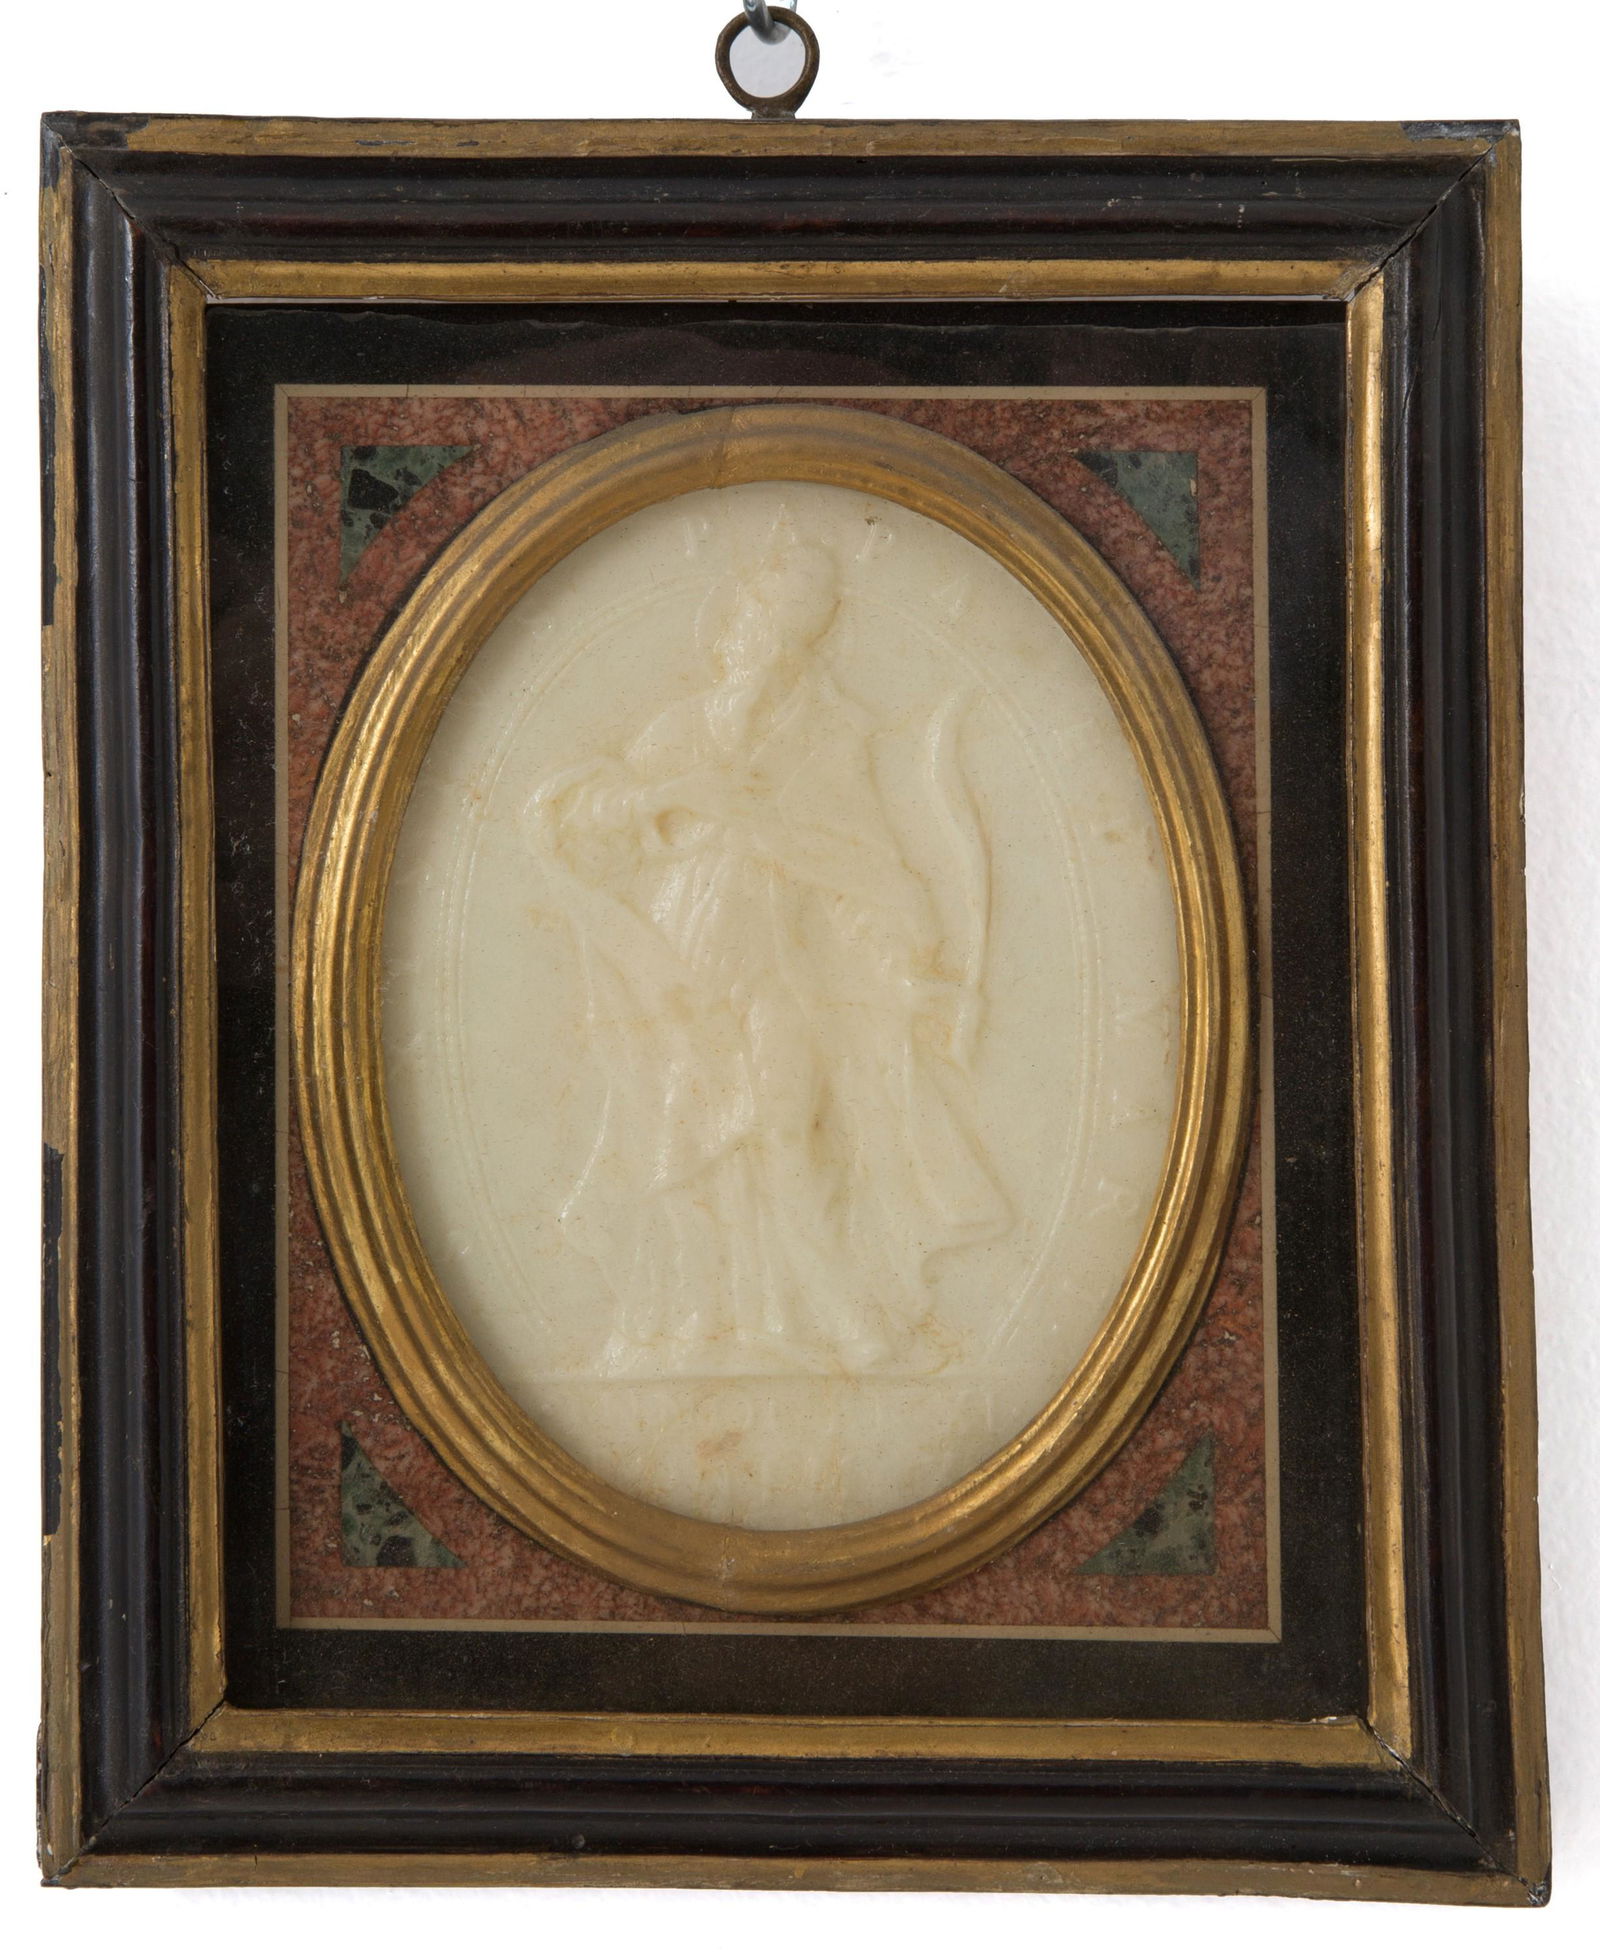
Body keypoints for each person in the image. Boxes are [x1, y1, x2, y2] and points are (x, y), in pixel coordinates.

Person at [525, 524, 1009, 1377]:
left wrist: (903, 963)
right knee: (688, 1149)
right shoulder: (677, 730)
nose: (778, 641)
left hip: (785, 960)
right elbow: (586, 822)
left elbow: (859, 859)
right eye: (769, 617)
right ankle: (705, 1315)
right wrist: (672, 795)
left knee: (789, 1129)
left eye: (800, 625)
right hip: (680, 960)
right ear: (737, 623)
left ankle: (845, 1320)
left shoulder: (833, 738)